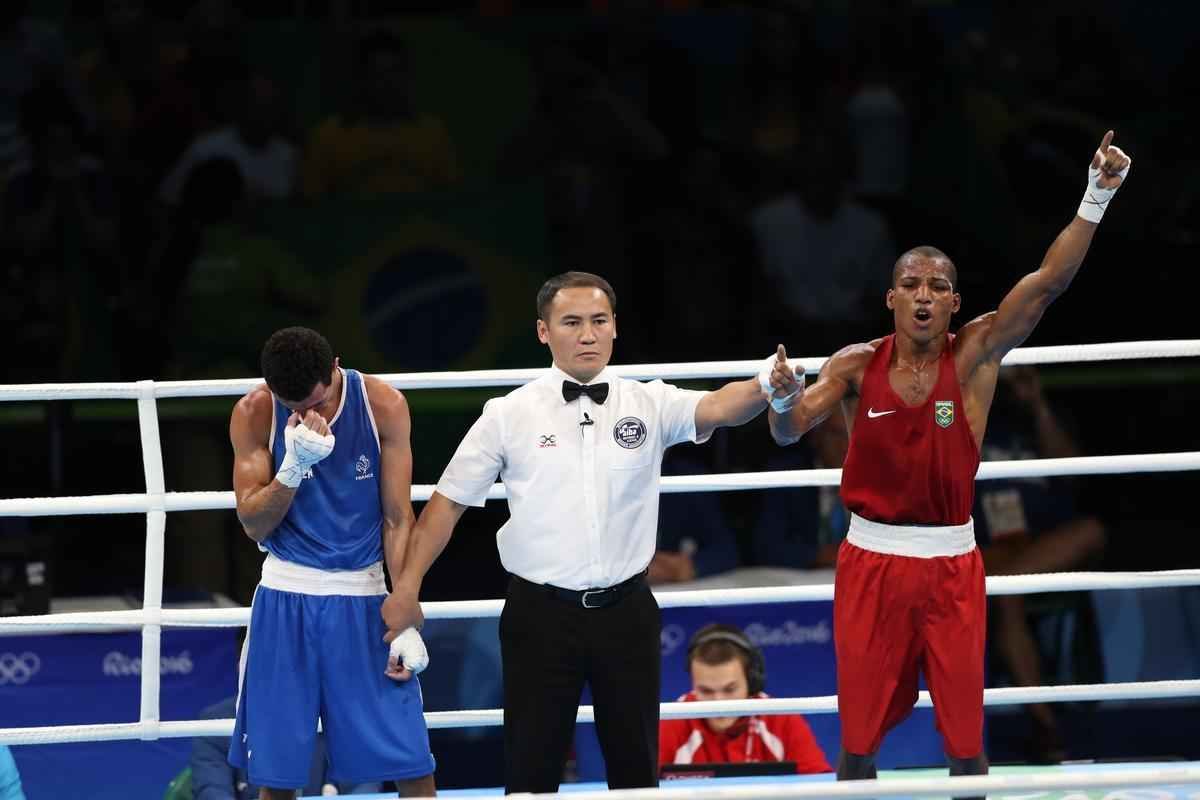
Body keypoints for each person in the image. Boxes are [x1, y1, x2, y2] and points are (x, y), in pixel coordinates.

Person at [762, 132, 1130, 787]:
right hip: (869, 565)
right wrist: (783, 396)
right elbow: (790, 431)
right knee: (858, 742)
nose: (925, 292)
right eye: (912, 283)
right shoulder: (853, 364)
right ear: (891, 297)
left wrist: (1096, 195)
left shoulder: (976, 354)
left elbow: (1047, 284)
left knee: (966, 742)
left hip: (952, 566)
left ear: (955, 302)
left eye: (938, 284)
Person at [382, 271, 785, 794]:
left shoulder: (649, 403)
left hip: (628, 612)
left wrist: (765, 386)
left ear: (615, 327)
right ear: (544, 332)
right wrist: (408, 589)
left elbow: (719, 406)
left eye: (598, 321)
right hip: (539, 615)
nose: (588, 334)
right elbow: (446, 506)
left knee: (636, 772)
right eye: (571, 322)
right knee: (531, 771)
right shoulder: (508, 414)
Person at [227, 326, 435, 799]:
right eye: (296, 406)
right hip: (285, 600)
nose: (308, 416)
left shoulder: (383, 406)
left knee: (411, 762)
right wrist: (292, 469)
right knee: (276, 777)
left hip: (362, 601)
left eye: (317, 404)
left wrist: (404, 609)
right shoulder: (255, 412)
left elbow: (398, 517)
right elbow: (254, 525)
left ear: (336, 368)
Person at [975, 365, 1106, 762]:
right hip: (987, 552)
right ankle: (1045, 725)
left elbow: (1073, 475)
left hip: (1043, 550)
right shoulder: (969, 411)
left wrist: (1037, 403)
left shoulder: (1043, 420)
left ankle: (1007, 580)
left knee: (1091, 530)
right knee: (1007, 594)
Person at [659, 624, 831, 774]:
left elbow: (823, 790)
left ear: (751, 681)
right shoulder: (672, 721)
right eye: (706, 691)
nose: (718, 704)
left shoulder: (781, 718)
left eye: (730, 689)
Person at [189, 696, 381, 799]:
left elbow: (364, 787)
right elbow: (212, 791)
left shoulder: (341, 714)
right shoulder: (215, 721)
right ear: (243, 665)